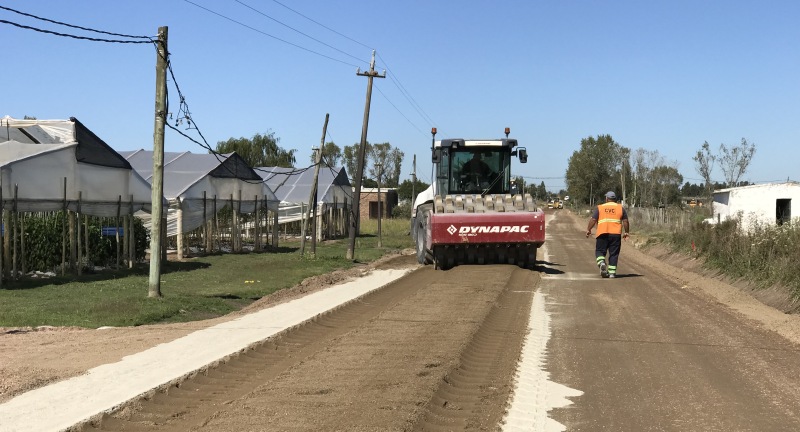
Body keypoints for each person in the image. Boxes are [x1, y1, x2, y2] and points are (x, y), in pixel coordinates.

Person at [585, 191, 630, 278]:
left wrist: (588, 229)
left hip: (602, 233)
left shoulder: (600, 207)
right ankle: (612, 273)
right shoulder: (620, 208)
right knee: (614, 254)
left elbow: (593, 220)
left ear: (606, 198)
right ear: (614, 199)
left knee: (599, 251)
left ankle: (601, 262)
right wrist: (626, 232)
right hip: (615, 234)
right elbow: (625, 221)